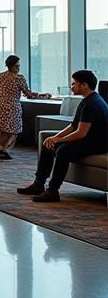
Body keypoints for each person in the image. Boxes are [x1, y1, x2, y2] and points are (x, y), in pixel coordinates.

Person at [17, 69, 107, 202]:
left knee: (64, 151)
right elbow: (73, 126)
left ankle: (53, 190)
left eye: (74, 84)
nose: (71, 87)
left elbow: (80, 133)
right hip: (88, 140)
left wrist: (59, 139)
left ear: (84, 85)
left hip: (98, 144)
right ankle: (39, 184)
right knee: (49, 145)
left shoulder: (92, 104)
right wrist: (55, 138)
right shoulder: (86, 100)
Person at [0, 55, 50, 160]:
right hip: (12, 106)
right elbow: (28, 94)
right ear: (12, 66)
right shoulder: (19, 78)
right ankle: (3, 149)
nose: (18, 68)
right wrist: (42, 95)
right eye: (17, 66)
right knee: (14, 129)